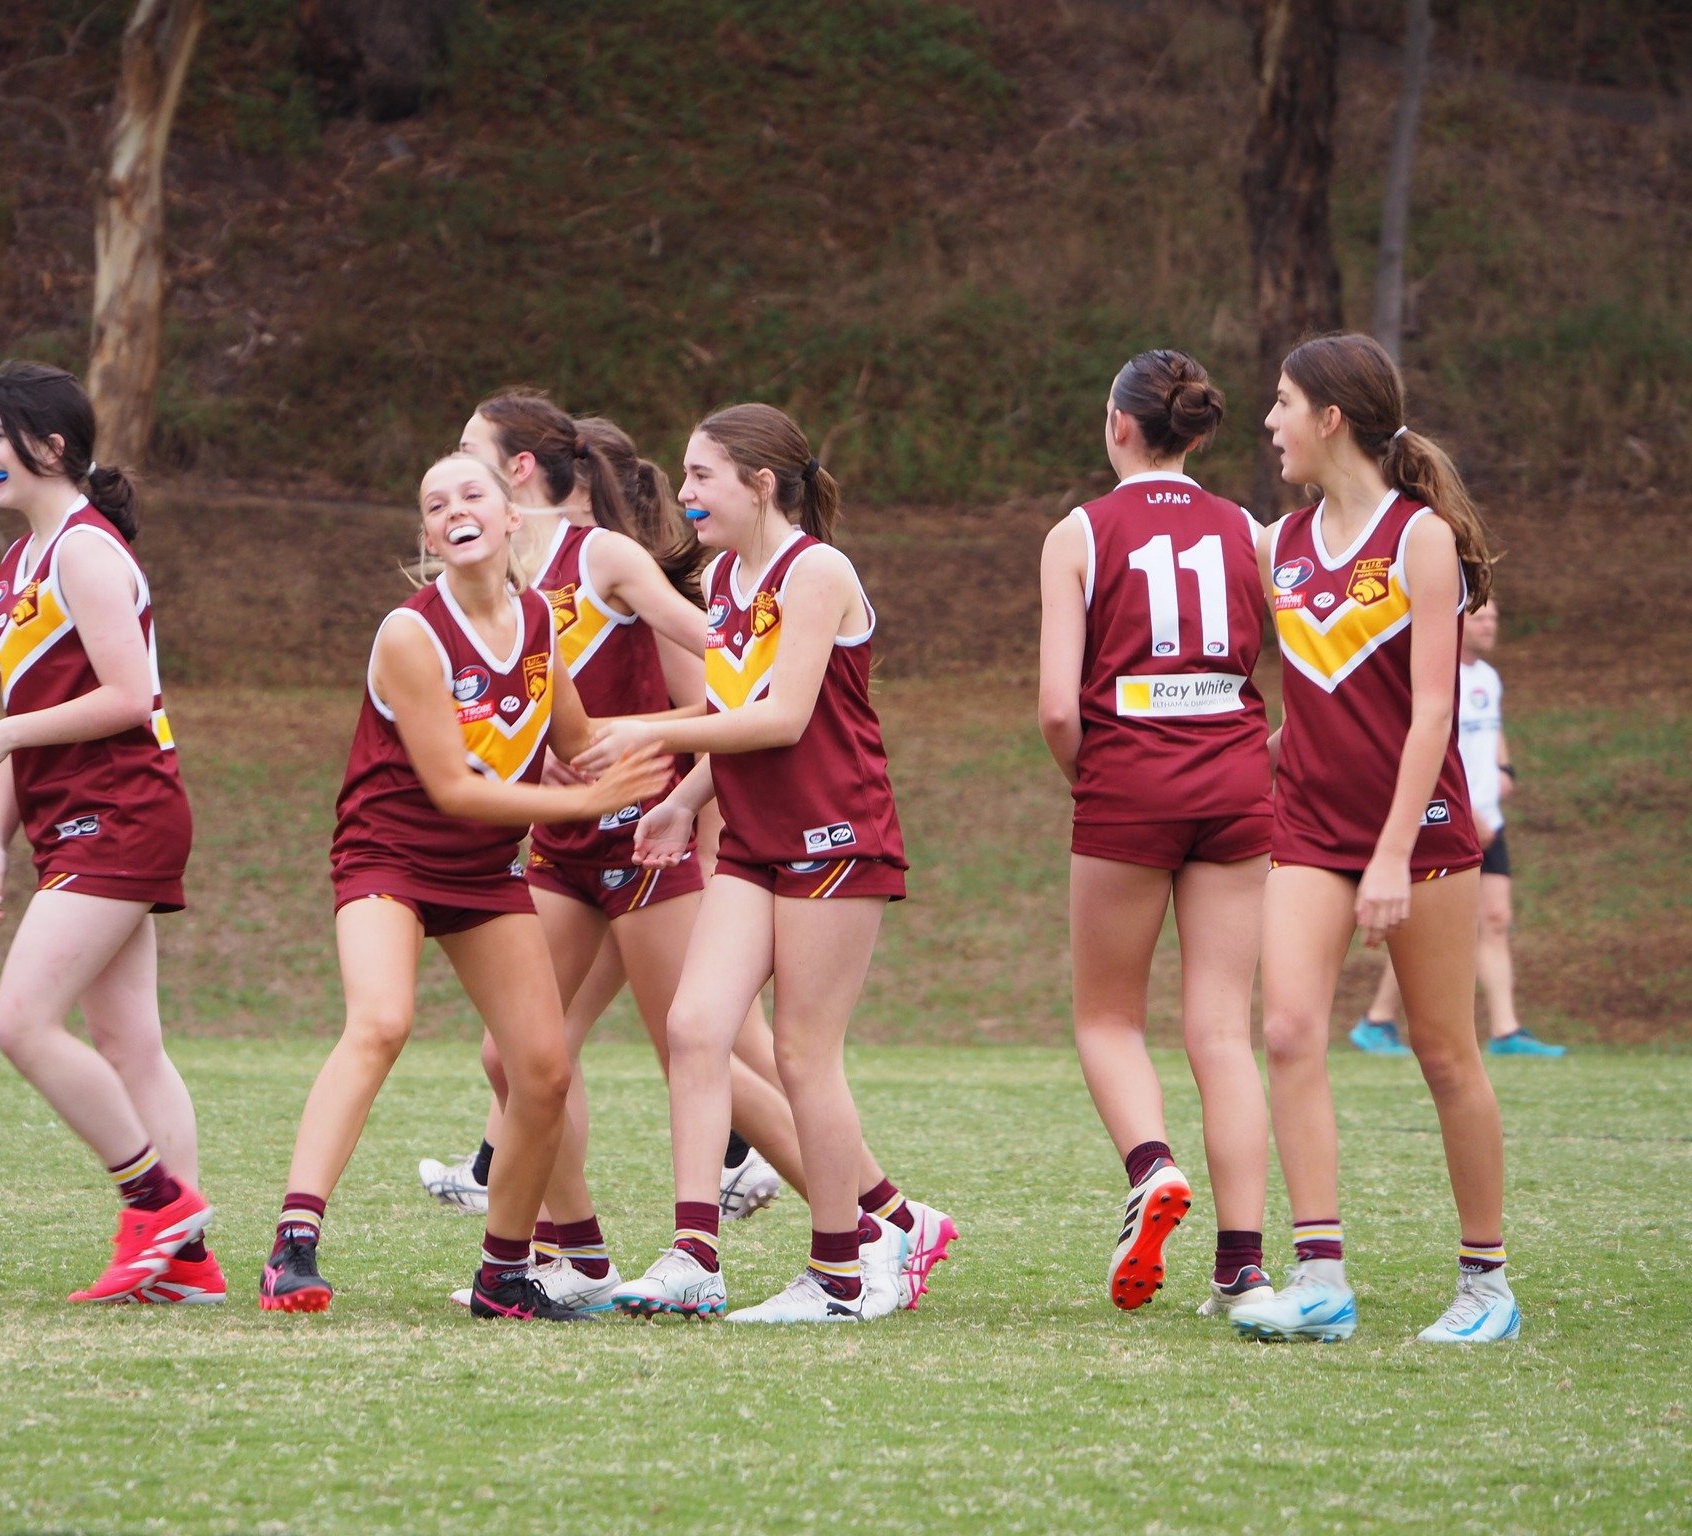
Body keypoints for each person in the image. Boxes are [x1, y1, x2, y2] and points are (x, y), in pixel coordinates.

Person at [258, 452, 668, 1320]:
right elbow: (452, 787)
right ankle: (293, 1245)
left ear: (512, 515)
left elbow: (576, 742)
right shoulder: (410, 633)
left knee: (544, 1070)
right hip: (390, 854)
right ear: (429, 535)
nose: (453, 510)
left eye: (471, 495)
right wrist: (589, 796)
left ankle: (503, 1275)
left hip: (484, 869)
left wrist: (711, 734)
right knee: (381, 1021)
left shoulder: (539, 623)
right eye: (434, 504)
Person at [582, 403, 955, 1324]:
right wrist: (681, 798)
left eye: (702, 475)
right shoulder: (721, 580)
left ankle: (841, 1274)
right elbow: (736, 723)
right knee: (697, 1027)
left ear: (759, 481)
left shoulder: (818, 569)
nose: (686, 492)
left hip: (834, 834)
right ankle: (692, 1257)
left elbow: (783, 717)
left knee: (800, 1053)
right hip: (752, 839)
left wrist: (649, 731)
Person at [1227, 333, 1519, 1345]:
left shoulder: (1418, 540)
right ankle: (1319, 1278)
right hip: (1305, 825)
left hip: (1421, 831)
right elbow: (1312, 691)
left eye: (1278, 404)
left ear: (1328, 417)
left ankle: (1485, 1283)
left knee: (1442, 1052)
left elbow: (1428, 714)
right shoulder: (1279, 545)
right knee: (1286, 1030)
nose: (1268, 424)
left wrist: (1391, 855)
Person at [0, 360, 217, 1304]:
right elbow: (32, 702)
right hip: (72, 822)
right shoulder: (19, 563)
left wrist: (6, 732)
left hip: (127, 811)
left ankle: (156, 1203)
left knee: (21, 1022)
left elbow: (127, 697)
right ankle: (187, 1267)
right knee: (129, 1044)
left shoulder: (85, 551)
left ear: (48, 447)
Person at [1036, 350, 1275, 1318]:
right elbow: (1294, 685)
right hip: (1232, 780)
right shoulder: (1249, 530)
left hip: (1127, 781)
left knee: (1105, 1017)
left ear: (1118, 424)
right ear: (1198, 431)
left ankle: (1150, 1168)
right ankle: (1243, 1264)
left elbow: (1059, 709)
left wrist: (1091, 780)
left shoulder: (1078, 532)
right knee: (1221, 1029)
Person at [1348, 597, 1566, 1057]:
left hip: (1490, 819)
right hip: (1452, 817)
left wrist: (1505, 770)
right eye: (1480, 618)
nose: (1490, 627)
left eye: (1495, 618)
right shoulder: (1437, 677)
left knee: (1494, 918)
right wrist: (1470, 810)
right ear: (1456, 624)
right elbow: (1430, 747)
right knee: (1437, 926)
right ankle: (1377, 1021)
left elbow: (1494, 731)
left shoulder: (1488, 678)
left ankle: (1505, 1031)